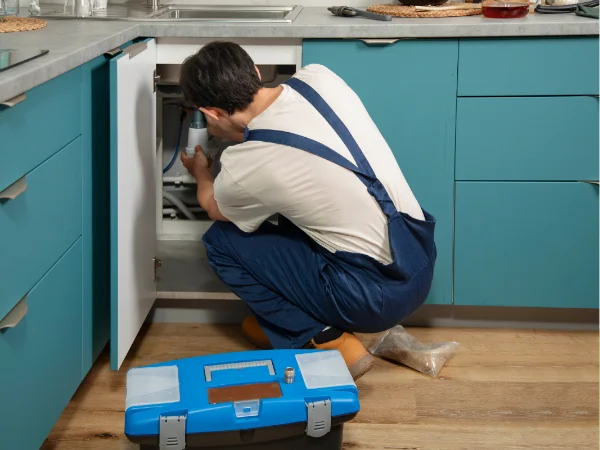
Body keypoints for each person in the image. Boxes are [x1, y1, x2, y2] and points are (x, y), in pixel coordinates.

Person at [179, 41, 436, 380]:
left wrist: (201, 173)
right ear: (255, 72)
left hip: (376, 299)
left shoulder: (245, 165)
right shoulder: (319, 78)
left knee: (222, 242)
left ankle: (319, 335)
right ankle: (285, 322)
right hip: (420, 258)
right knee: (291, 212)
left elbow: (214, 206)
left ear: (211, 113)